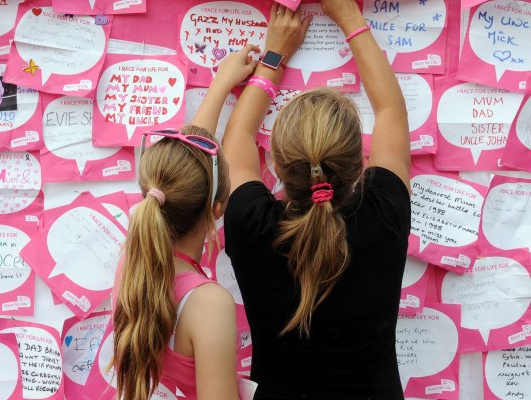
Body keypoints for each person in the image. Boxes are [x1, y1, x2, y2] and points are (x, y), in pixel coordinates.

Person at [221, 1, 410, 399]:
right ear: (360, 162)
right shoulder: (383, 216)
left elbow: (236, 139)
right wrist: (349, 16)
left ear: (273, 160)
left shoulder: (252, 224)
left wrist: (274, 54)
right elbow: (390, 108)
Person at [112, 44, 261, 400]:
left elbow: (188, 169)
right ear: (218, 209)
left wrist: (221, 83)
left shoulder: (133, 264)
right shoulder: (207, 303)